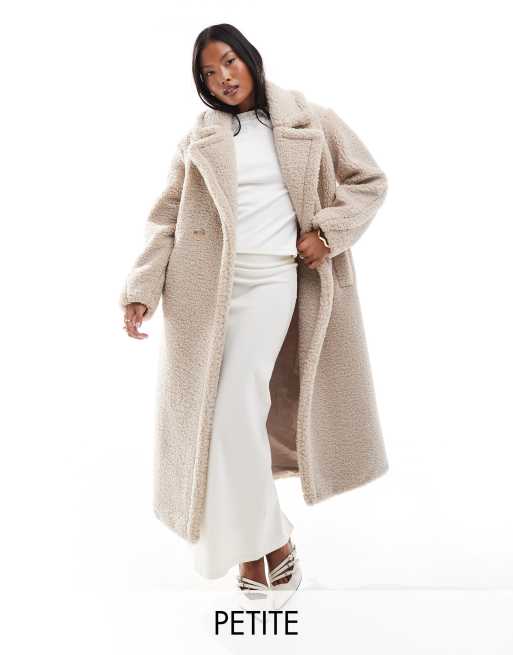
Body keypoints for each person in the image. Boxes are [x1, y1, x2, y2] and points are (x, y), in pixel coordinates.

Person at [120, 23, 388, 611]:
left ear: (250, 58)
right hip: (204, 291)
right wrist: (143, 288)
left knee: (237, 405)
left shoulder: (310, 120)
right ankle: (268, 554)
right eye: (208, 73)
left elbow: (369, 181)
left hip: (274, 280)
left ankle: (268, 548)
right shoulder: (198, 141)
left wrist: (328, 232)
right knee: (220, 419)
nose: (223, 78)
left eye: (229, 62)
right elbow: (166, 219)